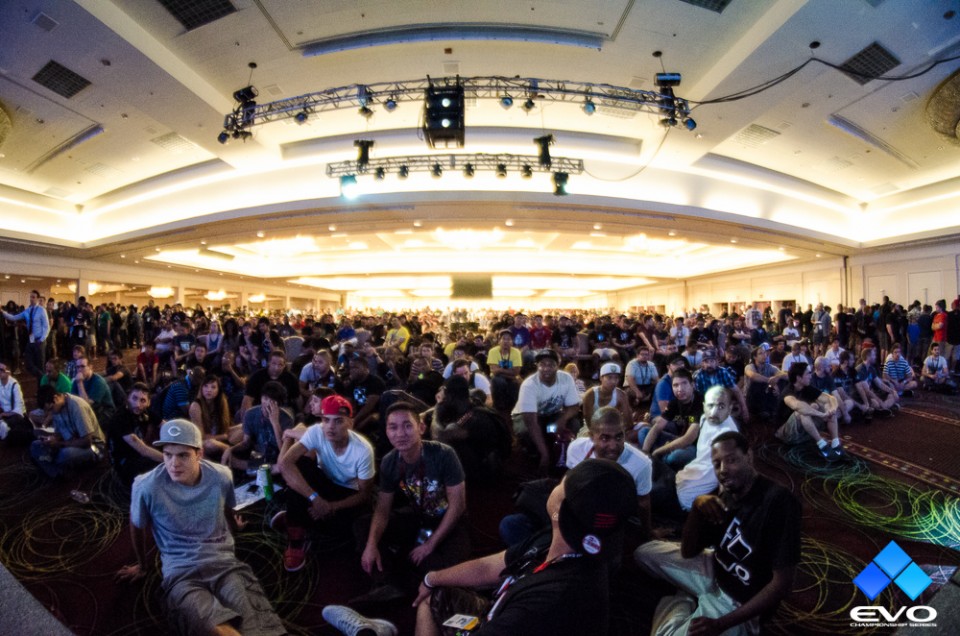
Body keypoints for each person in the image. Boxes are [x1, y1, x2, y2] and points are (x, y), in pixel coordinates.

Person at [323, 459, 637, 636]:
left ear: (558, 508)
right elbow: (491, 566)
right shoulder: (561, 540)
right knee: (436, 595)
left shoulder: (554, 601)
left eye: (562, 482)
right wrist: (432, 578)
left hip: (504, 622)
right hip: (500, 611)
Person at [117, 420, 286, 636]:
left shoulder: (220, 475)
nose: (173, 463)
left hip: (222, 562)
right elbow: (136, 525)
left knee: (255, 623)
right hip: (181, 572)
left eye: (183, 455)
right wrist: (142, 565)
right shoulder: (146, 485)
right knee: (212, 627)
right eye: (168, 455)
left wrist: (233, 527)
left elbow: (226, 507)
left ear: (199, 454)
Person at [635, 431, 800, 636]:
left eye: (731, 460)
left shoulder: (778, 501)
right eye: (717, 464)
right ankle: (691, 597)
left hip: (738, 601)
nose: (723, 470)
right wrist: (697, 507)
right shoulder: (727, 494)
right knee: (643, 554)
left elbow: (782, 584)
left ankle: (682, 601)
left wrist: (721, 624)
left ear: (749, 456)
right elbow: (688, 552)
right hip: (714, 569)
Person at [359, 402, 469, 598]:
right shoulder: (389, 462)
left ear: (421, 428)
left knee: (443, 571)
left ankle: (403, 579)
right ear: (386, 431)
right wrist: (371, 544)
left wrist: (430, 545)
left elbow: (458, 506)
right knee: (363, 526)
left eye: (407, 425)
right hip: (419, 518)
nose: (400, 433)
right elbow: (382, 510)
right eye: (393, 427)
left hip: (449, 522)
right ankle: (387, 582)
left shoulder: (444, 454)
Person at [277, 394, 375, 572]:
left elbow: (364, 494)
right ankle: (296, 537)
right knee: (301, 466)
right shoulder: (316, 431)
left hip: (347, 494)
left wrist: (330, 507)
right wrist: (315, 499)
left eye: (338, 421)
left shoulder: (363, 450)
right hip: (325, 484)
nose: (330, 426)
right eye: (326, 420)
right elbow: (285, 464)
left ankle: (298, 518)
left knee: (347, 530)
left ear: (350, 423)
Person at [774, 362, 845, 461]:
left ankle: (835, 443)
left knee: (826, 405)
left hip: (802, 433)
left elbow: (830, 398)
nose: (811, 376)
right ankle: (822, 445)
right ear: (799, 378)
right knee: (802, 411)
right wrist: (821, 414)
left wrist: (832, 409)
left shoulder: (806, 387)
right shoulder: (788, 392)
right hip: (786, 435)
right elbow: (797, 406)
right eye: (808, 373)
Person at [32, 385, 105, 478]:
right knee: (35, 445)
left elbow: (87, 441)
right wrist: (51, 439)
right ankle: (58, 472)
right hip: (69, 443)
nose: (50, 413)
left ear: (55, 398)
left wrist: (59, 444)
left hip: (94, 447)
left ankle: (55, 471)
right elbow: (59, 433)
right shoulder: (56, 409)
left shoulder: (77, 406)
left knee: (65, 455)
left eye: (50, 409)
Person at [638, 368, 703, 470]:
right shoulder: (674, 403)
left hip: (695, 446)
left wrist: (657, 452)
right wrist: (644, 453)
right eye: (675, 385)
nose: (680, 389)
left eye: (684, 383)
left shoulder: (700, 402)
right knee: (643, 431)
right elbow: (657, 427)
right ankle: (655, 460)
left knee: (675, 457)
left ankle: (659, 464)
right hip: (678, 439)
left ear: (692, 385)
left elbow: (688, 438)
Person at [223, 380, 294, 473]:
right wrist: (230, 449)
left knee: (282, 466)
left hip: (277, 459)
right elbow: (246, 442)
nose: (268, 403)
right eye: (265, 398)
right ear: (261, 398)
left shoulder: (286, 419)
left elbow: (284, 451)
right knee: (229, 457)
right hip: (257, 456)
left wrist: (275, 423)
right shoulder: (250, 414)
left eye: (273, 401)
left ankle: (262, 470)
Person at [107, 382, 162, 486]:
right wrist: (169, 460)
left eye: (142, 400)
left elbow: (165, 425)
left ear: (148, 402)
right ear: (128, 398)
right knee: (161, 467)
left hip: (137, 454)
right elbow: (143, 450)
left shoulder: (145, 412)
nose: (137, 404)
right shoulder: (121, 418)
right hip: (123, 463)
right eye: (134, 398)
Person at [1, 289, 50, 379]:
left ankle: (42, 383)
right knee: (28, 364)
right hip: (31, 340)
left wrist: (42, 339)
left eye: (33, 297)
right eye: (30, 297)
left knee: (40, 365)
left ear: (37, 299)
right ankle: (43, 377)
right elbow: (14, 317)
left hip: (39, 341)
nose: (31, 299)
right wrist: (2, 312)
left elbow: (46, 326)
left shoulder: (42, 310)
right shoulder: (27, 311)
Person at [189, 375, 238, 459]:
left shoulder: (221, 403)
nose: (209, 390)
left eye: (213, 387)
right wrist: (222, 436)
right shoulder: (196, 405)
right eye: (206, 386)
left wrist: (225, 435)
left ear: (218, 390)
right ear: (201, 388)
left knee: (242, 427)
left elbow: (226, 428)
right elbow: (200, 436)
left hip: (219, 436)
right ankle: (229, 450)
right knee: (211, 444)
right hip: (203, 441)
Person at [581, 362, 632, 431]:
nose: (613, 381)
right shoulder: (590, 394)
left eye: (616, 378)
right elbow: (588, 419)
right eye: (609, 378)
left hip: (613, 429)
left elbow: (628, 421)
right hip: (591, 429)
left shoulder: (621, 395)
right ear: (601, 378)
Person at [0, 359, 28, 444]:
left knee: (8, 425)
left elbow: (18, 409)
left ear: (8, 372)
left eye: (1, 370)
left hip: (15, 415)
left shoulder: (15, 385)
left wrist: (3, 415)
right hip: (3, 413)